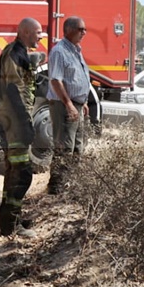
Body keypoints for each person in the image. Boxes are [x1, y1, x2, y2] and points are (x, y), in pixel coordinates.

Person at [0, 17, 42, 237]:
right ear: (24, 32)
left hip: (14, 119)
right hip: (14, 122)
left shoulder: (19, 53)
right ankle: (11, 226)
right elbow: (13, 91)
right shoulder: (14, 53)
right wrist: (24, 124)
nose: (40, 37)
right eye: (37, 32)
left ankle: (9, 222)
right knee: (22, 173)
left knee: (14, 171)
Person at [45, 16, 90, 195]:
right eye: (81, 29)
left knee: (77, 146)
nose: (84, 33)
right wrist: (69, 104)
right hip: (63, 106)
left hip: (76, 105)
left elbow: (77, 77)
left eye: (84, 29)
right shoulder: (60, 51)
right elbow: (56, 80)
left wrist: (82, 102)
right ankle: (56, 188)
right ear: (69, 30)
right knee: (64, 147)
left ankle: (71, 184)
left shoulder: (76, 50)